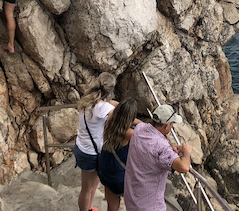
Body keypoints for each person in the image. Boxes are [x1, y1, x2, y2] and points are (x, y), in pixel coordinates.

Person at [124, 104, 192, 211]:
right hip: (150, 206)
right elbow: (183, 167)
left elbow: (154, 140)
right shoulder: (161, 147)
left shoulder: (140, 129)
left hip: (132, 199)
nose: (172, 127)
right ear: (166, 126)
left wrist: (170, 146)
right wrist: (187, 153)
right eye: (172, 124)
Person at [75, 73, 118, 211]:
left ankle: (88, 208)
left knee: (93, 184)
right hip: (91, 153)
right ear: (110, 91)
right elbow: (118, 116)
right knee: (87, 188)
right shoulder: (104, 108)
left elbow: (109, 106)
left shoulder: (87, 100)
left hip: (82, 147)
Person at [98, 98, 141, 211]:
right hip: (119, 176)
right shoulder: (130, 134)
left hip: (105, 168)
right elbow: (149, 136)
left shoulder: (110, 121)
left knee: (112, 206)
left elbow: (110, 102)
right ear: (131, 118)